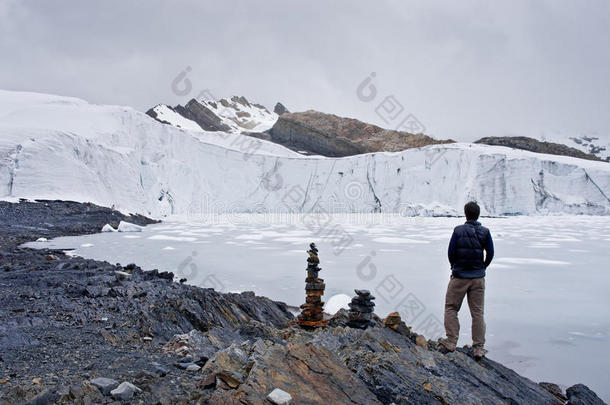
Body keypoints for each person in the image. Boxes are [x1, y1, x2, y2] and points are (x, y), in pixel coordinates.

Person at [440, 201, 494, 360]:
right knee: (477, 313)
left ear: (465, 213)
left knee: (451, 307)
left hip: (459, 277)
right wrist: (482, 267)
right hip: (478, 278)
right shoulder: (485, 232)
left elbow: (450, 252)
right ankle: (478, 348)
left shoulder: (458, 231)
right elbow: (490, 253)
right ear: (478, 214)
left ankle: (451, 342)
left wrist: (454, 267)